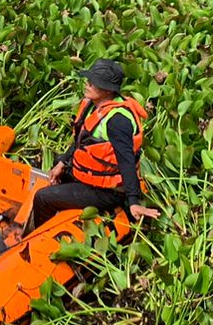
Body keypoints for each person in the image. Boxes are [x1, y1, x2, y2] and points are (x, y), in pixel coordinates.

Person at [31, 59, 158, 229]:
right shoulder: (92, 105)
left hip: (107, 190)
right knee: (57, 164)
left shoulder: (117, 121)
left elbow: (126, 160)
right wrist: (62, 162)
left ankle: (37, 239)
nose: (88, 84)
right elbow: (81, 140)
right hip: (89, 175)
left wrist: (133, 201)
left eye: (94, 83)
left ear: (107, 90)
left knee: (42, 198)